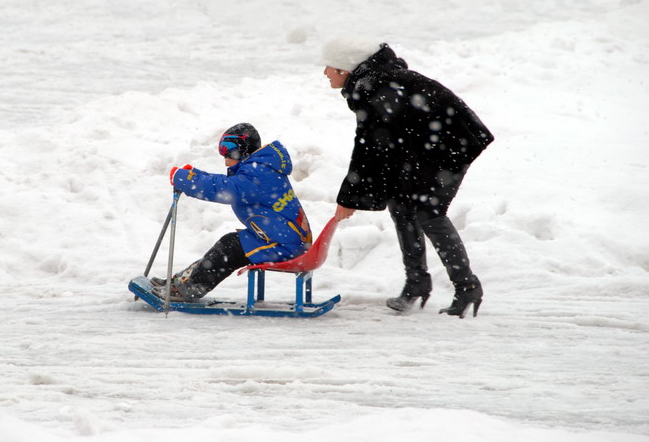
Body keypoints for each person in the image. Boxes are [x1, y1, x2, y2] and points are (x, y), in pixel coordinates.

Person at [321, 37, 494, 318]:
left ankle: (467, 287)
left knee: (429, 212)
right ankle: (417, 284)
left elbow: (367, 147)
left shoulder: (374, 87)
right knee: (400, 205)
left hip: (450, 147)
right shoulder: (372, 83)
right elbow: (379, 142)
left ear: (344, 69)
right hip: (420, 148)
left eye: (329, 66)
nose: (325, 73)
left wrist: (350, 198)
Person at [151, 122, 312, 302]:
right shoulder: (260, 168)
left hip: (285, 247)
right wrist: (196, 176)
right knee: (230, 243)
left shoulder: (258, 174)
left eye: (229, 153)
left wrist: (185, 181)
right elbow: (226, 182)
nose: (226, 161)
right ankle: (182, 283)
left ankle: (188, 288)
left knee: (230, 248)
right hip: (283, 241)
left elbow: (225, 189)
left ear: (243, 150)